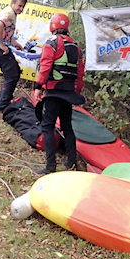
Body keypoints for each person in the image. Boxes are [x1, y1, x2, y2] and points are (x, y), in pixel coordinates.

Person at [33, 12, 85, 175]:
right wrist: (75, 91)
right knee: (67, 127)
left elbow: (45, 66)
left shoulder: (52, 43)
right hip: (68, 93)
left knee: (47, 126)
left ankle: (50, 167)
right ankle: (71, 162)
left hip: (54, 92)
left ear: (53, 26)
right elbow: (80, 73)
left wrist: (38, 87)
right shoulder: (76, 47)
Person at [0, 0, 28, 111]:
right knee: (12, 75)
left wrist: (14, 43)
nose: (21, 9)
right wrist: (1, 44)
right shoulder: (9, 13)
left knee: (14, 73)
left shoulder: (11, 13)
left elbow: (6, 31)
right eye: (19, 6)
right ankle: (1, 105)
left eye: (23, 7)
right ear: (12, 3)